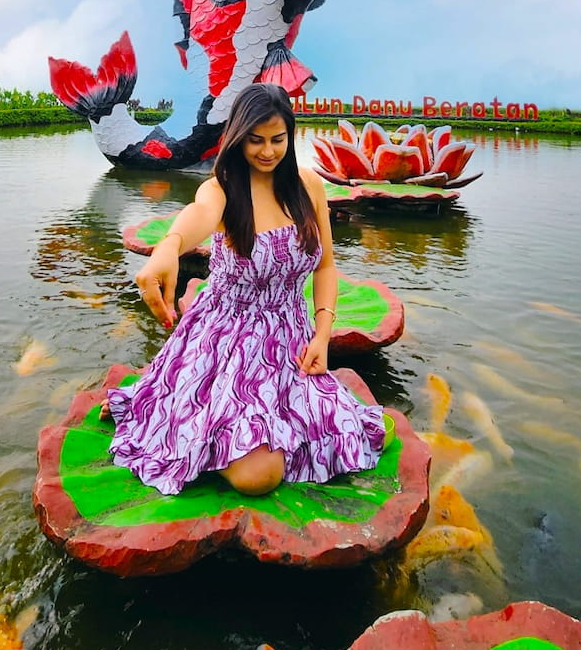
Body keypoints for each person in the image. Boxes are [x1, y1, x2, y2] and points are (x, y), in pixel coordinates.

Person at [104, 82, 385, 496]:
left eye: (277, 140)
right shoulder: (221, 189)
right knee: (259, 476)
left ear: (290, 135)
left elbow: (325, 266)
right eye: (255, 141)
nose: (268, 152)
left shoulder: (309, 186)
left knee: (337, 435)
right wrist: (169, 246)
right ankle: (195, 428)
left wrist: (323, 335)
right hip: (225, 341)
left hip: (290, 339)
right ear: (238, 137)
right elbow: (199, 215)